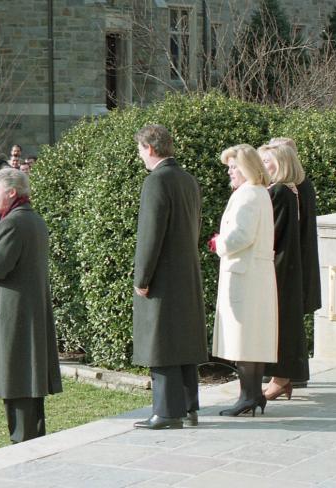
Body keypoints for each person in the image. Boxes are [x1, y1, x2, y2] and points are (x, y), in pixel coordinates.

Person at [0, 168, 63, 443]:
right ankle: (30, 437)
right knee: (27, 380)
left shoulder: (12, 223)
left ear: (11, 192)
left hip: (14, 313)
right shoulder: (33, 219)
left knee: (18, 378)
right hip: (26, 308)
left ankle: (22, 442)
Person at [131, 124, 208, 430]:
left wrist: (142, 277)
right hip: (186, 272)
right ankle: (188, 408)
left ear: (150, 148)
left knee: (161, 342)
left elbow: (150, 236)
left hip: (162, 276)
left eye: (140, 149)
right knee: (184, 343)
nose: (140, 155)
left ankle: (165, 411)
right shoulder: (188, 180)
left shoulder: (156, 181)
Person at [211, 144, 277, 416]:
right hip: (254, 274)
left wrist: (218, 243)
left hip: (245, 275)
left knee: (244, 339)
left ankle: (248, 396)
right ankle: (252, 395)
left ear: (247, 167)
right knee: (252, 338)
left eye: (234, 166)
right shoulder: (258, 192)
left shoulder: (248, 194)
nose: (230, 171)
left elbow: (242, 235)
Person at [268, 137, 320, 389]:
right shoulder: (299, 186)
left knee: (287, 322)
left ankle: (288, 373)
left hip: (288, 261)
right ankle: (293, 374)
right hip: (297, 259)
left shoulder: (285, 190)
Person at [258, 143, 307, 400]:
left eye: (268, 161)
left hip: (279, 267)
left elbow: (272, 234)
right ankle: (281, 379)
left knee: (281, 325)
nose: (263, 165)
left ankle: (281, 378)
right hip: (287, 265)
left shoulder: (279, 191)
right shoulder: (288, 190)